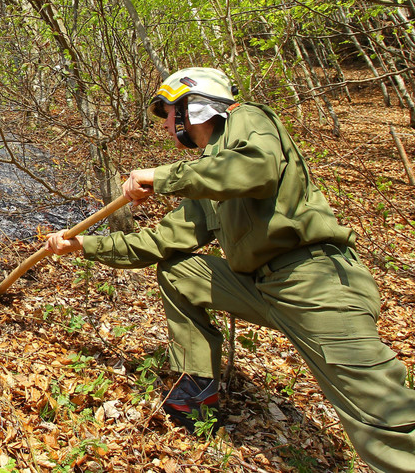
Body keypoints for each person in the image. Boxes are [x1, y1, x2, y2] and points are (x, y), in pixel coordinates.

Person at [45, 67, 415, 472]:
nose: (167, 125)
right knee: (179, 271)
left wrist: (163, 177)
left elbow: (256, 168)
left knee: (383, 418)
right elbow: (160, 242)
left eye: (170, 113)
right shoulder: (207, 176)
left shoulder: (249, 119)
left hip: (315, 283)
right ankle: (197, 393)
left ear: (195, 108)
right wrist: (83, 245)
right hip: (261, 287)